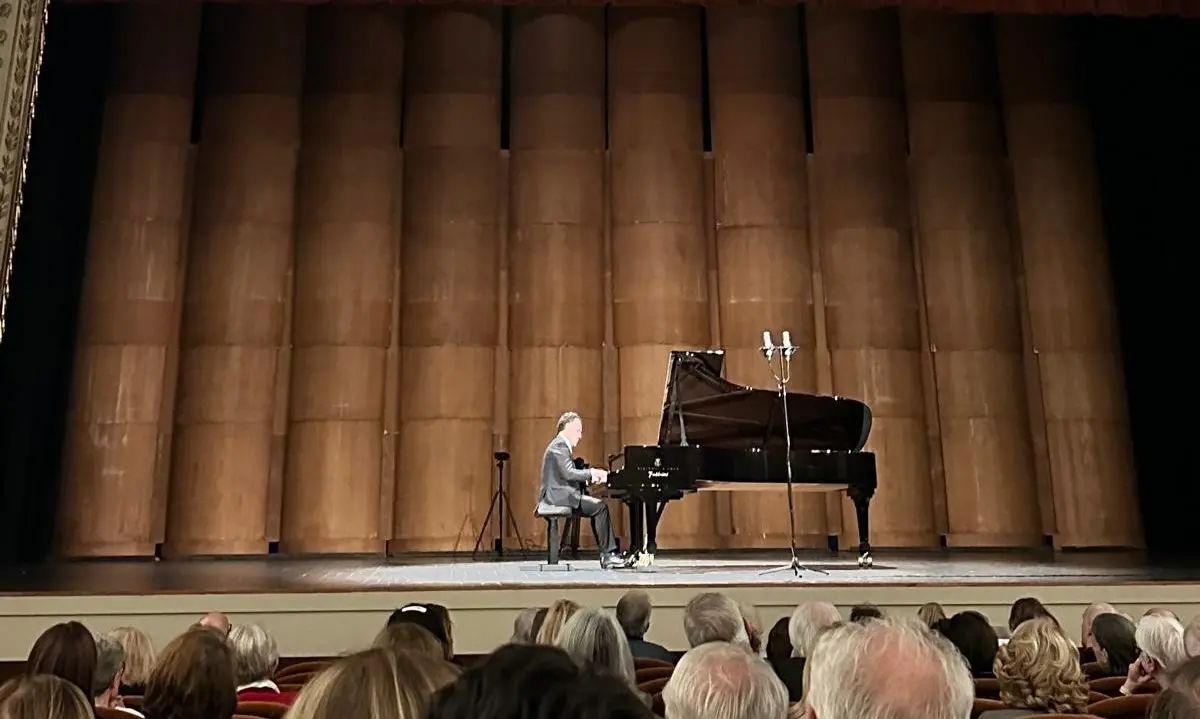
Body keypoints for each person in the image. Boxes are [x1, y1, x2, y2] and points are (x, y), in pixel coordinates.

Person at [539, 412, 626, 569]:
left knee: (597, 507)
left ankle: (607, 554)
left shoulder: (560, 445)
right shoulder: (559, 445)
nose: (580, 436)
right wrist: (592, 473)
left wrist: (589, 478)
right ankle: (608, 555)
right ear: (568, 428)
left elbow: (567, 473)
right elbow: (568, 473)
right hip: (558, 497)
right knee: (600, 507)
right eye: (578, 430)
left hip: (561, 494)